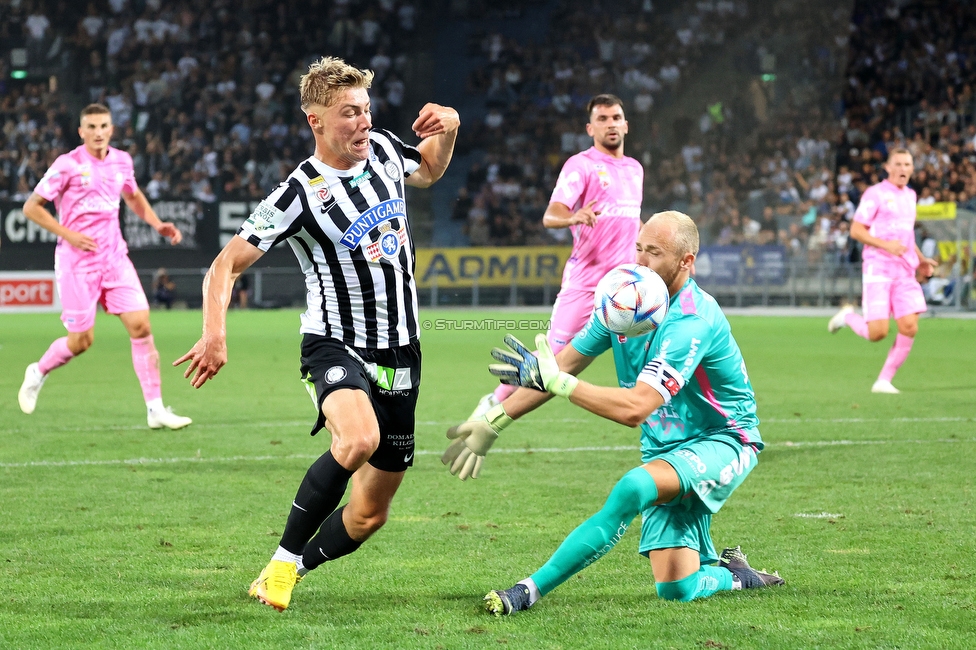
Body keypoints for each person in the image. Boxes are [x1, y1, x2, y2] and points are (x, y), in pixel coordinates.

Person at [174, 57, 459, 612]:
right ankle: (281, 563)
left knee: (369, 515)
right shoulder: (297, 194)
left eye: (367, 110)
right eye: (349, 113)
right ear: (316, 122)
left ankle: (294, 569)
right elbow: (224, 266)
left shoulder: (382, 154)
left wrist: (448, 128)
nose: (364, 123)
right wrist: (214, 334)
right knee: (357, 440)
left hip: (403, 352)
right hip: (335, 343)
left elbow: (428, 171)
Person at [442, 211, 783, 615]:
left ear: (686, 261)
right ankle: (737, 575)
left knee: (632, 488)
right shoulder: (628, 303)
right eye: (638, 248)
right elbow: (563, 365)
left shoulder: (691, 319)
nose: (640, 261)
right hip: (666, 447)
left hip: (724, 440)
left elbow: (634, 407)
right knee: (677, 588)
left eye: (654, 253)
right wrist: (493, 420)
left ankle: (527, 592)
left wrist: (560, 384)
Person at [467, 94, 644, 419]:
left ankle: (669, 418)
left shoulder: (635, 169)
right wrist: (573, 217)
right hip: (587, 282)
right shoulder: (582, 165)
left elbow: (633, 223)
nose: (611, 124)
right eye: (602, 119)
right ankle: (494, 402)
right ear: (590, 128)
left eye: (616, 117)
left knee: (649, 350)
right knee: (555, 355)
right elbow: (552, 215)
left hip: (625, 288)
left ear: (626, 125)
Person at [17, 103, 192, 430]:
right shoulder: (67, 165)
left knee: (141, 325)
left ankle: (155, 409)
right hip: (76, 263)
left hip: (114, 258)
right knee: (81, 341)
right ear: (81, 132)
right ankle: (38, 371)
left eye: (104, 126)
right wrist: (69, 234)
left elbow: (133, 195)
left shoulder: (122, 161)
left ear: (112, 129)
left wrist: (157, 223)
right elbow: (32, 207)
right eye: (92, 127)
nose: (98, 133)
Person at [827, 149, 938, 394]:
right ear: (888, 167)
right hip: (878, 267)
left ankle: (883, 381)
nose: (902, 168)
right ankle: (847, 316)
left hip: (904, 270)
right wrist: (886, 245)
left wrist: (921, 260)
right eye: (898, 164)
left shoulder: (910, 195)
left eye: (907, 164)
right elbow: (856, 230)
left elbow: (907, 235)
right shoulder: (874, 194)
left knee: (909, 326)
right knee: (878, 333)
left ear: (912, 168)